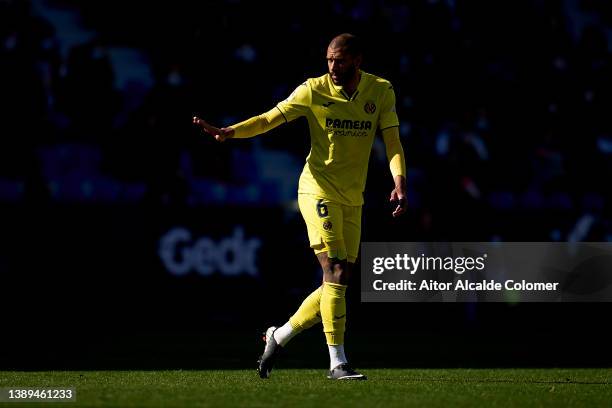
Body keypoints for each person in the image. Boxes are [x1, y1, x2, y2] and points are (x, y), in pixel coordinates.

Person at [193, 33, 406, 380]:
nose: (333, 67)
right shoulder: (313, 89)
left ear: (357, 60)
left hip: (354, 197)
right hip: (316, 190)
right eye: (329, 60)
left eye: (339, 60)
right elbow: (268, 119)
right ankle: (337, 363)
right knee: (335, 271)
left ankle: (279, 336)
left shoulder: (381, 90)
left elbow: (393, 141)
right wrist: (230, 132)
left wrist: (399, 182)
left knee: (335, 284)